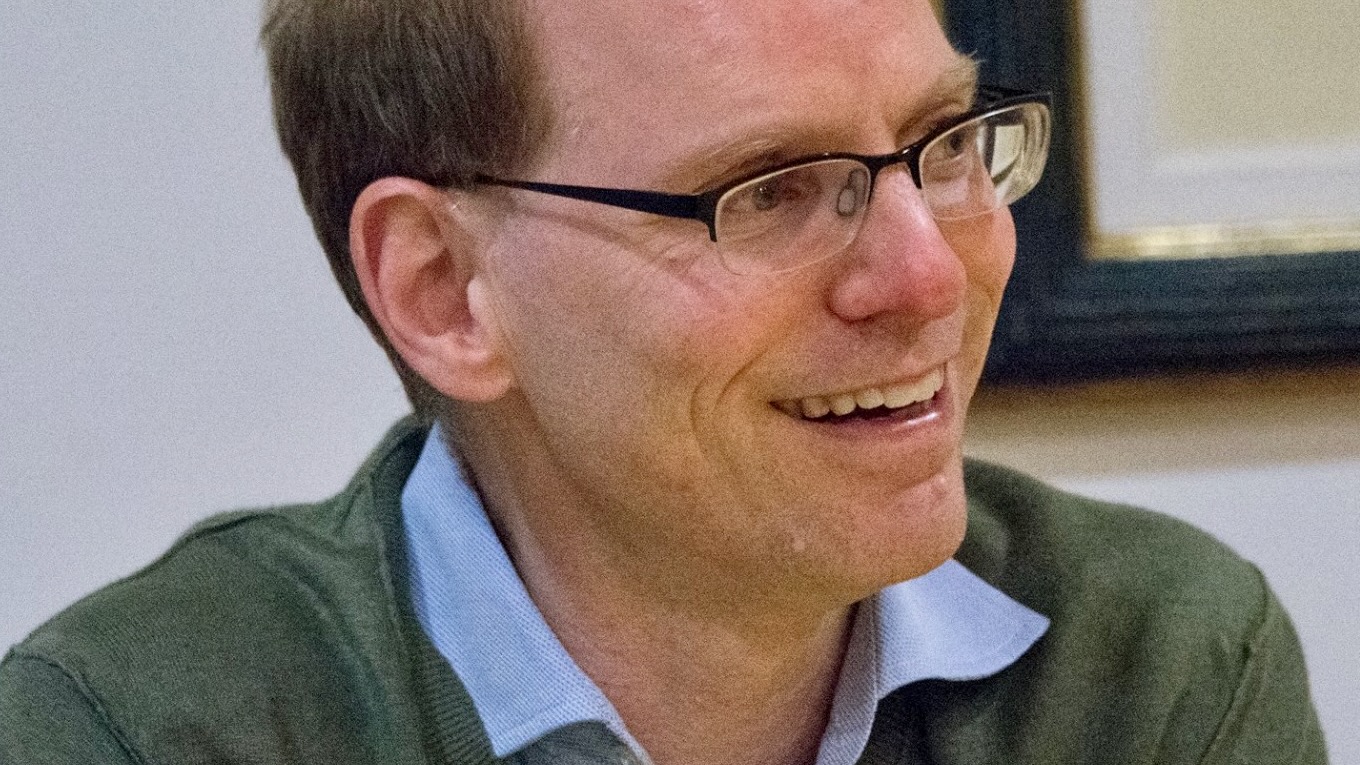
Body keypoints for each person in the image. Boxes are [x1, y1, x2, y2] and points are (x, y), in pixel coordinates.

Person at [0, 0, 1326, 762]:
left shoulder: (1156, 667)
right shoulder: (141, 731)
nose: (929, 274)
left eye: (942, 143)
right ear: (442, 290)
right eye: (774, 190)